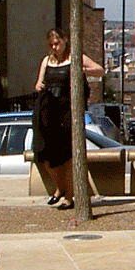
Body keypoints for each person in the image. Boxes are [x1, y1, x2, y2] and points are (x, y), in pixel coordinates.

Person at [33, 27, 105, 210]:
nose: (54, 47)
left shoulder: (75, 58)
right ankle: (60, 188)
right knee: (44, 154)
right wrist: (40, 85)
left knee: (68, 156)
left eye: (57, 43)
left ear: (65, 41)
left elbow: (100, 71)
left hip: (68, 111)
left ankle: (69, 197)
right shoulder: (47, 60)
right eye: (51, 44)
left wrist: (80, 70)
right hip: (49, 110)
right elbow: (39, 82)